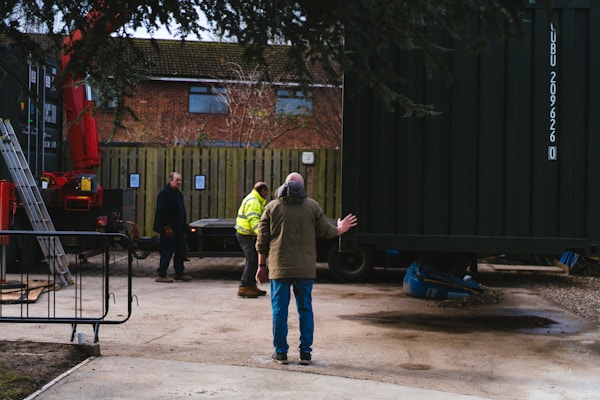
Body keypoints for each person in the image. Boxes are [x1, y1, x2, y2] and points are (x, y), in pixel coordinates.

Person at [255, 172, 357, 365]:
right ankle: (305, 353)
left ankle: (281, 353)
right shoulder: (312, 206)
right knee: (305, 309)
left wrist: (261, 266)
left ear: (284, 185)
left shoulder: (271, 207)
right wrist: (340, 228)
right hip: (305, 269)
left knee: (279, 310)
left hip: (279, 268)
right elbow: (326, 232)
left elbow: (262, 241)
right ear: (301, 187)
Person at [153, 172, 191, 282]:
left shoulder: (178, 194)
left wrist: (184, 225)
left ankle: (179, 273)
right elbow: (162, 211)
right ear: (171, 180)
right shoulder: (165, 193)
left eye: (180, 180)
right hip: (169, 229)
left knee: (181, 251)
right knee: (167, 251)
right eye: (177, 180)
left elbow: (180, 211)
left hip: (178, 229)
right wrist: (166, 227)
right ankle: (161, 274)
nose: (179, 182)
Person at [235, 182, 270, 298]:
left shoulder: (254, 199)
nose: (267, 194)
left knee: (254, 260)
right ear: (263, 191)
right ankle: (243, 287)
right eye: (266, 191)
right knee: (251, 260)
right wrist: (261, 235)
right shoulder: (254, 202)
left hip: (246, 234)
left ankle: (251, 286)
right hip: (246, 235)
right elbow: (254, 221)